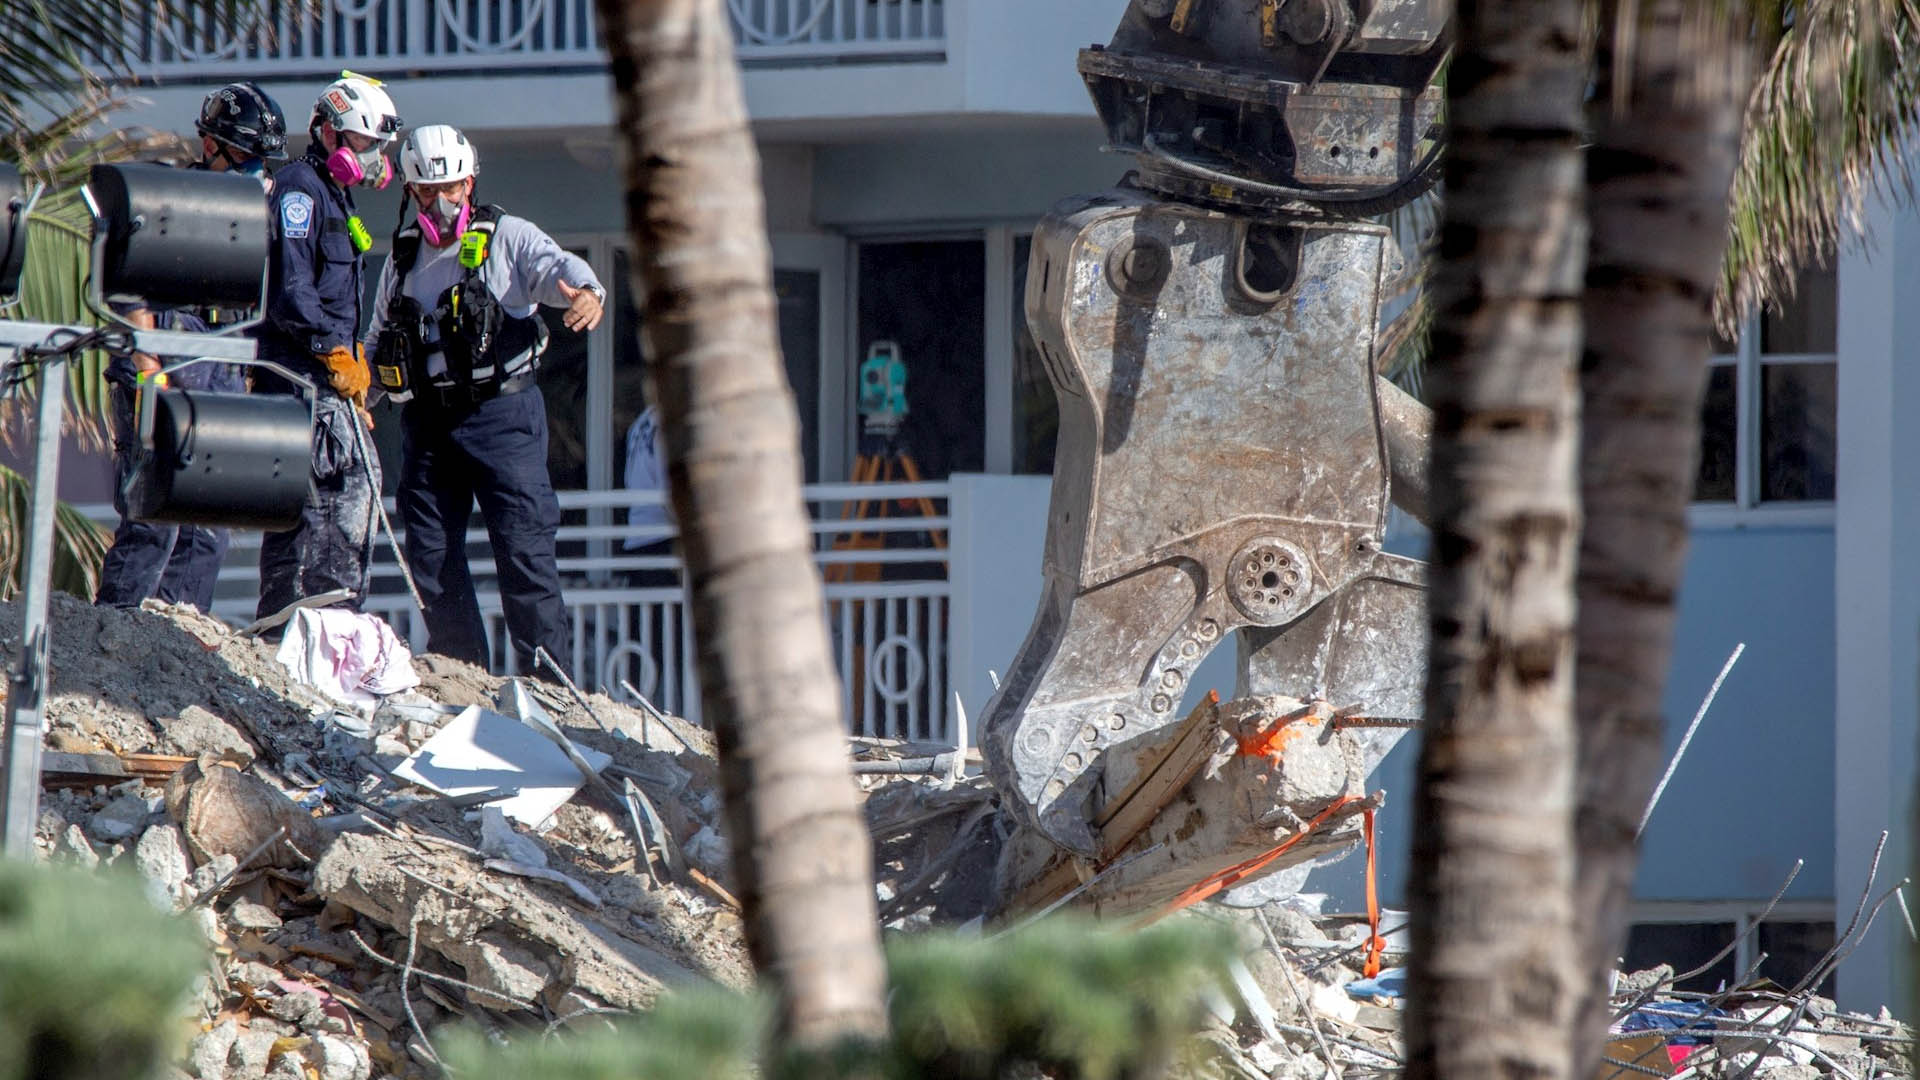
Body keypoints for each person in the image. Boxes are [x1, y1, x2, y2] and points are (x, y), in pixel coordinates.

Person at [365, 124, 605, 676]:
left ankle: (551, 687)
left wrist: (588, 292)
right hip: (427, 424)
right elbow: (378, 342)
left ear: (468, 182)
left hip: (503, 418)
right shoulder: (402, 259)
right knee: (429, 551)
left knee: (524, 550)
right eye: (426, 191)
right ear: (410, 192)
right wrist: (358, 397)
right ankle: (463, 673)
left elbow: (558, 270)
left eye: (450, 187)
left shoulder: (508, 238)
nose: (440, 201)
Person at [95, 82, 288, 610]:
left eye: (263, 161)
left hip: (217, 366)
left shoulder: (253, 218)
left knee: (208, 531)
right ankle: (118, 632)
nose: (257, 171)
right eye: (247, 157)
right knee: (153, 520)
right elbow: (127, 284)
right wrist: (147, 364)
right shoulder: (168, 200)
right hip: (159, 364)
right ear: (212, 147)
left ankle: (176, 636)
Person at [253, 73, 402, 626]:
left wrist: (349, 363)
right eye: (365, 145)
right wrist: (334, 354)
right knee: (345, 490)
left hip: (323, 376)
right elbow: (293, 292)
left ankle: (297, 626)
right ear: (329, 133)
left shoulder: (332, 194)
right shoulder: (299, 189)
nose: (373, 158)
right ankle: (328, 619)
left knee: (309, 505)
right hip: (301, 377)